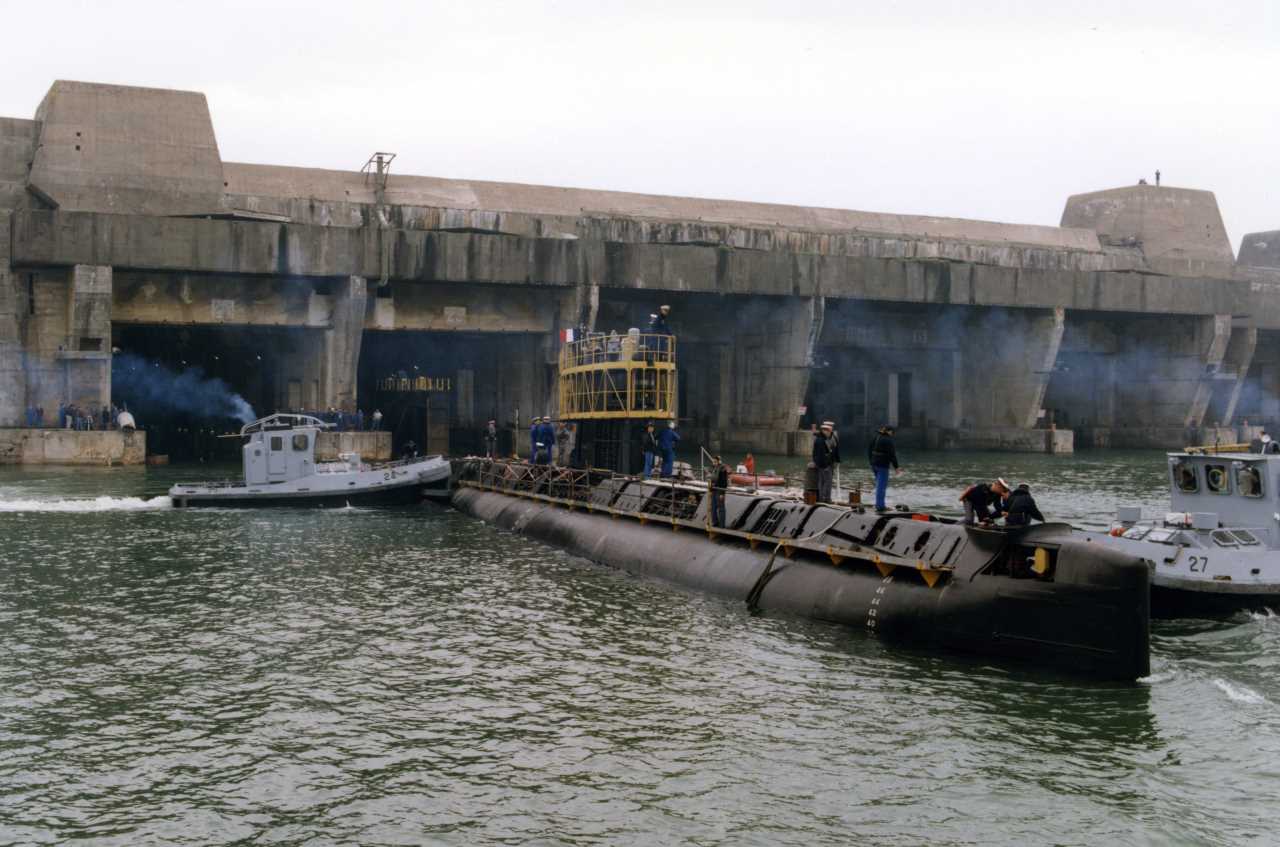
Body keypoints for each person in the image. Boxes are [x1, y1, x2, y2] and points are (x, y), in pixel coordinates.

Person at [867, 425, 900, 511]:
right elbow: (892, 455)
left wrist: (871, 462)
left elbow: (869, 450)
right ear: (889, 432)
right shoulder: (888, 440)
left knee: (878, 485)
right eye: (892, 433)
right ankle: (880, 506)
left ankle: (878, 504)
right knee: (881, 487)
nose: (892, 435)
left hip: (874, 465)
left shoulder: (876, 437)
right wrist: (896, 467)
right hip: (883, 466)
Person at [812, 421, 839, 503]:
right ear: (825, 430)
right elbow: (821, 455)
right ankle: (826, 498)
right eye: (829, 431)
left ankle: (822, 498)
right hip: (825, 465)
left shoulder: (822, 438)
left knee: (822, 481)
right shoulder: (821, 440)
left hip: (824, 464)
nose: (830, 432)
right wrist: (825, 465)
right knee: (827, 482)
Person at [709, 454, 730, 528]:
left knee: (721, 508)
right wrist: (711, 490)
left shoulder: (722, 469)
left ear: (718, 461)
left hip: (719, 490)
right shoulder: (714, 468)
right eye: (713, 461)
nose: (713, 463)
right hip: (714, 490)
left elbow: (724, 482)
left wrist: (722, 493)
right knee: (713, 507)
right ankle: (715, 522)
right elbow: (712, 480)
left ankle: (722, 525)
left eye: (715, 461)